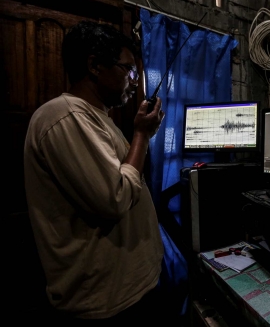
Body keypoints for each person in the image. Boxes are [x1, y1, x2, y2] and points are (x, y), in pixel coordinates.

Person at [23, 21, 168, 323]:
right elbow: (114, 198)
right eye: (127, 69)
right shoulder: (64, 116)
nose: (132, 80)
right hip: (107, 304)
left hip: (128, 291)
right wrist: (141, 134)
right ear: (95, 66)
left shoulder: (97, 118)